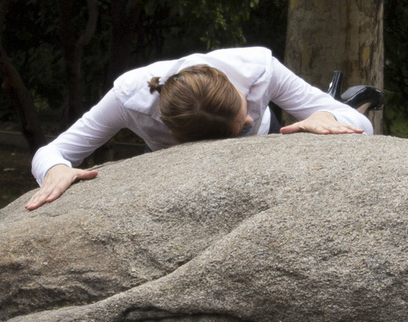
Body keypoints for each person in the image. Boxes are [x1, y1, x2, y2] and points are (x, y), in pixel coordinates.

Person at [24, 45, 374, 209]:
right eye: (241, 125)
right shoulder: (129, 98)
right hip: (168, 166)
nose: (248, 118)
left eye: (243, 109)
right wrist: (55, 170)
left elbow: (362, 124)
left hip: (269, 141)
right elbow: (52, 152)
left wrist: (329, 117)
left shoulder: (258, 70)